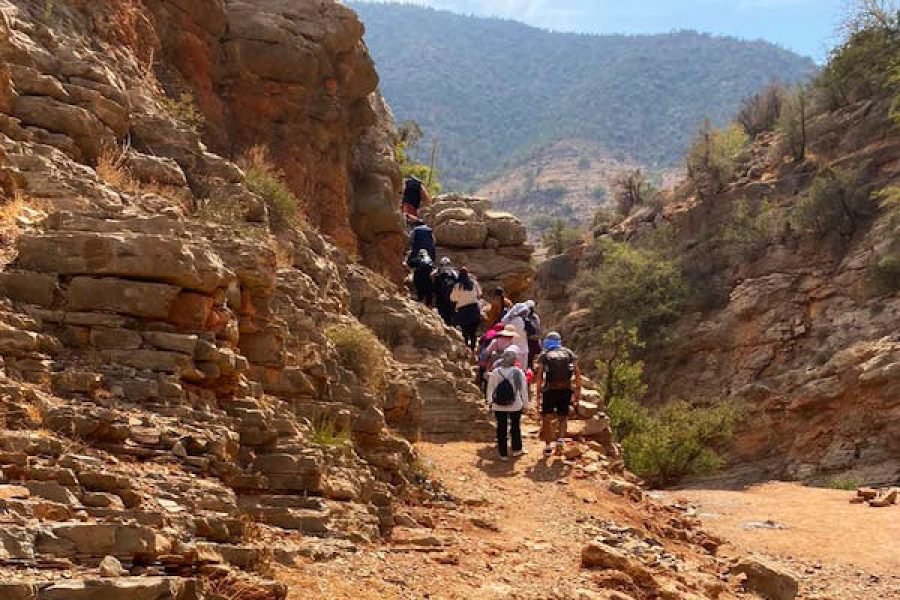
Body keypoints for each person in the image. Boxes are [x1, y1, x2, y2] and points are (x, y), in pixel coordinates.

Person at [534, 332, 582, 457]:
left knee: (547, 417)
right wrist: (578, 390)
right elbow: (577, 372)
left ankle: (548, 445)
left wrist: (538, 394)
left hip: (550, 389)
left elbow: (539, 376)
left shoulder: (544, 355)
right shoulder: (568, 353)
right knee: (563, 416)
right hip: (566, 389)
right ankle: (560, 439)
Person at [485, 346, 529, 460]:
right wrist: (525, 404)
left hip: (498, 405)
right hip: (515, 405)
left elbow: (490, 388)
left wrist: (490, 401)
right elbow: (523, 389)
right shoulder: (518, 372)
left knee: (501, 428)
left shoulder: (495, 372)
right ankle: (516, 449)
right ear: (515, 359)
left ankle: (503, 453)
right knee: (515, 427)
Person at [451, 267, 482, 350]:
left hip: (463, 311)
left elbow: (453, 299)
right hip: (474, 309)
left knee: (465, 331)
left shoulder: (457, 286)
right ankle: (472, 349)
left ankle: (466, 349)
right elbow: (479, 295)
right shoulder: (474, 283)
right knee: (473, 332)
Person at [478, 324, 517, 392]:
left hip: (492, 363)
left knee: (489, 378)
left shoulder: (496, 341)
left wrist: (482, 362)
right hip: (506, 365)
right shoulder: (512, 344)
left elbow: (487, 352)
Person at [434, 257, 459, 326]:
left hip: (441, 295)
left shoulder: (438, 271)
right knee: (452, 311)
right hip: (452, 295)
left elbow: (435, 283)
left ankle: (445, 325)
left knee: (442, 311)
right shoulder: (454, 272)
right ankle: (452, 325)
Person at [524, 300, 542, 370]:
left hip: (530, 341)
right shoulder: (535, 317)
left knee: (530, 359)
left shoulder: (529, 318)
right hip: (535, 340)